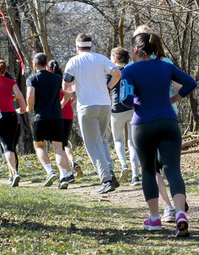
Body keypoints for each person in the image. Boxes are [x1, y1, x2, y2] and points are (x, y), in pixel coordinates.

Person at [120, 32, 197, 237]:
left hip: (142, 124)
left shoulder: (129, 70)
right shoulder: (166, 66)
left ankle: (154, 218)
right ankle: (180, 214)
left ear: (135, 49)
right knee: (173, 169)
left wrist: (138, 103)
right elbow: (191, 83)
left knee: (147, 170)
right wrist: (170, 101)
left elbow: (125, 100)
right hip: (168, 122)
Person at [133, 25, 181, 222]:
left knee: (152, 168)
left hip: (145, 121)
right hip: (170, 118)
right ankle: (178, 205)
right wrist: (170, 100)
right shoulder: (167, 62)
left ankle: (167, 208)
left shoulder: (133, 67)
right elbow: (181, 86)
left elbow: (126, 94)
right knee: (171, 167)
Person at [62, 33, 122, 194]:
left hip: (87, 106)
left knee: (92, 144)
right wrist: (108, 87)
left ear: (77, 47)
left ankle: (106, 179)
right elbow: (117, 73)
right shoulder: (101, 58)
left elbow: (66, 85)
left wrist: (74, 88)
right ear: (91, 46)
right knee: (101, 140)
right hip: (104, 104)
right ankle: (110, 172)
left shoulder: (73, 61)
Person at [26, 53, 72, 189]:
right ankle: (63, 176)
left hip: (41, 117)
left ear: (34, 65)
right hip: (57, 117)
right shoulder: (57, 78)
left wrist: (29, 106)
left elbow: (30, 95)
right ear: (46, 64)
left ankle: (49, 171)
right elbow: (68, 90)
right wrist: (63, 103)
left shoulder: (32, 79)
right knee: (58, 148)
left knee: (39, 146)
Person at [0, 60, 27, 187]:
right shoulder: (11, 82)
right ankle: (11, 175)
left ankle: (14, 173)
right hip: (13, 116)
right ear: (5, 70)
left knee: (6, 146)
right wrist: (11, 97)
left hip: (0, 116)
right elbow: (18, 94)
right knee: (12, 146)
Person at [107, 47, 140, 185]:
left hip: (116, 110)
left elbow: (106, 89)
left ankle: (124, 165)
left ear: (115, 59)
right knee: (132, 143)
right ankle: (135, 176)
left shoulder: (111, 72)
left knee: (118, 140)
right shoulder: (132, 71)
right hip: (132, 108)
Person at [47, 60, 82, 180]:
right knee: (65, 143)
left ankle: (67, 173)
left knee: (58, 146)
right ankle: (74, 162)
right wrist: (70, 102)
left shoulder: (52, 81)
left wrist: (61, 104)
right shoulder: (64, 79)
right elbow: (75, 91)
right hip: (68, 114)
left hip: (57, 115)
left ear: (48, 69)